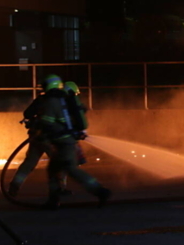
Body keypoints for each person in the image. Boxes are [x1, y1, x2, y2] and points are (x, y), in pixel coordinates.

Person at [9, 74, 111, 209]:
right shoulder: (65, 101)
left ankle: (100, 191)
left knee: (70, 169)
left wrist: (35, 127)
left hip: (62, 143)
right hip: (60, 142)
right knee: (53, 170)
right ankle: (54, 199)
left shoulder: (51, 101)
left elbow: (47, 122)